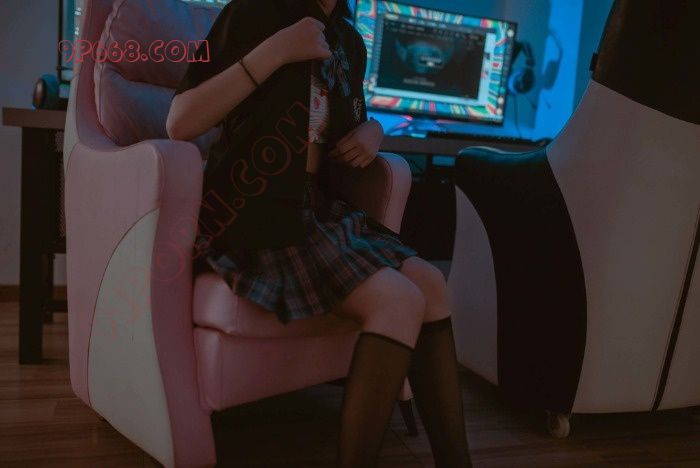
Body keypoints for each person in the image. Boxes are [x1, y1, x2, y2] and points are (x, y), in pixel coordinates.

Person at [167, 0, 472, 466]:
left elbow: (345, 130)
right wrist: (275, 51)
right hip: (256, 210)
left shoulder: (348, 41)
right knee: (399, 300)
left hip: (321, 211)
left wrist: (373, 129)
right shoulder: (252, 12)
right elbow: (180, 121)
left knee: (431, 284)